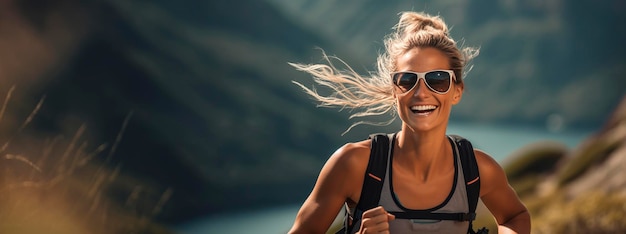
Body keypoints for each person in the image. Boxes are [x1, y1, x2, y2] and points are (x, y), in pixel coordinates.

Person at [287, 11, 530, 234]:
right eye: (407, 80)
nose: (421, 93)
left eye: (437, 79)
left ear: (457, 91)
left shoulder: (477, 170)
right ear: (395, 91)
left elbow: (515, 216)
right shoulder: (353, 165)